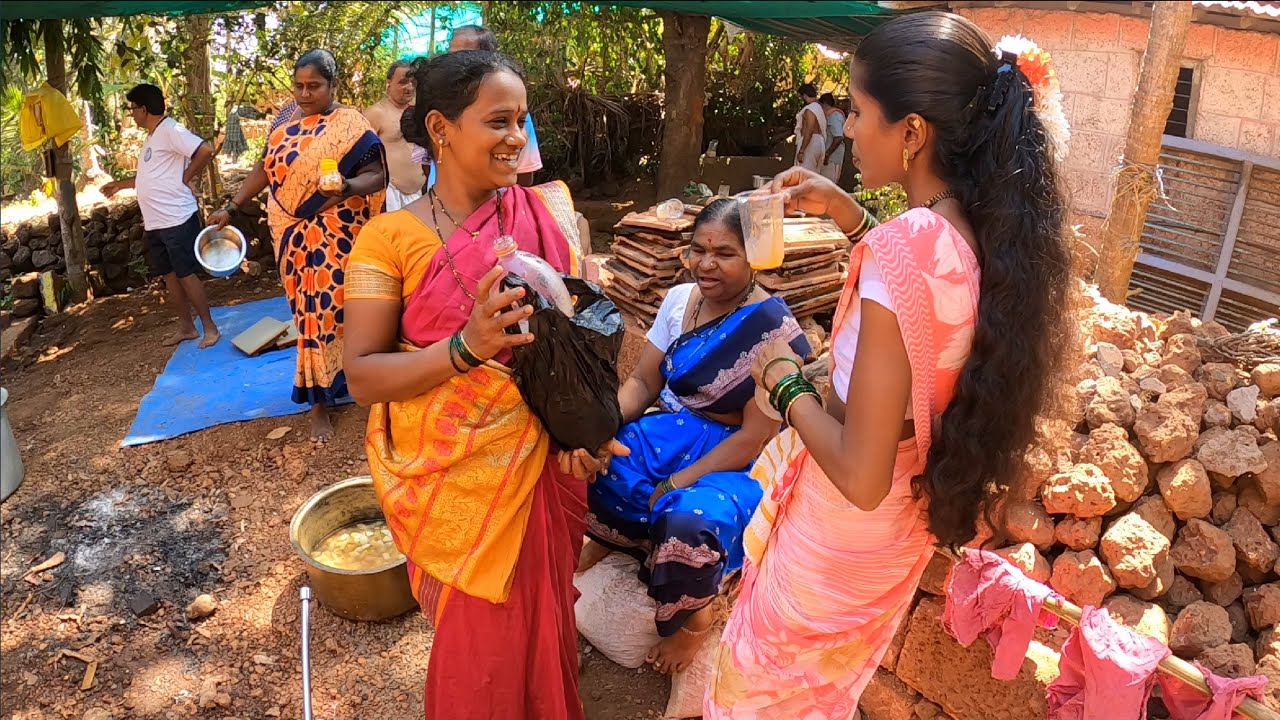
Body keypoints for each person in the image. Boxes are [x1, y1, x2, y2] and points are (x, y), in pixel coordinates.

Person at [706, 12, 1072, 718]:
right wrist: (851, 215)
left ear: (912, 133)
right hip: (895, 537)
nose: (846, 128)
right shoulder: (974, 230)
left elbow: (861, 474)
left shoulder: (907, 245)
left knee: (761, 695)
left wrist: (784, 382)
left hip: (841, 537)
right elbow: (926, 305)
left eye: (860, 110)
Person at [343, 50, 609, 720]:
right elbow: (363, 375)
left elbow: (581, 350)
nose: (517, 136)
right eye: (498, 120)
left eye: (521, 119)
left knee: (541, 636)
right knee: (481, 661)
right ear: (440, 127)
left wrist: (589, 435)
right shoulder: (387, 240)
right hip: (454, 482)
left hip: (544, 469)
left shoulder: (544, 214)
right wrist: (466, 348)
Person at [574, 198, 812, 675]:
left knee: (691, 519)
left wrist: (680, 481)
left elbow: (752, 438)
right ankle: (626, 541)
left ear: (754, 258)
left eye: (725, 253)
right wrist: (600, 429)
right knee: (603, 462)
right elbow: (644, 382)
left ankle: (694, 622)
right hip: (676, 430)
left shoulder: (772, 331)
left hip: (733, 457)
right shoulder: (681, 300)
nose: (706, 264)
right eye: (698, 249)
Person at [208, 49, 386, 441]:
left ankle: (355, 381)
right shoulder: (284, 123)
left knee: (340, 309)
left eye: (314, 86)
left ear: (333, 85)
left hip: (338, 232)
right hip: (290, 232)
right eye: (299, 86)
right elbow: (264, 168)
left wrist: (346, 188)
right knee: (307, 315)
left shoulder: (351, 125)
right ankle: (317, 402)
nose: (305, 94)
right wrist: (231, 207)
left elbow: (376, 175)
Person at [103, 83, 220, 349]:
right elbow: (150, 175)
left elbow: (205, 149)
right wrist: (120, 185)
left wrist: (186, 176)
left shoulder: (170, 130)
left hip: (177, 217)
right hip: (155, 221)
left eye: (133, 108)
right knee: (169, 275)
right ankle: (187, 328)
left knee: (186, 273)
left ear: (144, 109)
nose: (131, 114)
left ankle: (210, 328)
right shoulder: (152, 136)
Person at [445, 25, 543, 186]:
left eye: (466, 56)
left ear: (488, 58)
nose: (455, 63)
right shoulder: (436, 104)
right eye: (452, 55)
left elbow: (524, 174)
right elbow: (426, 167)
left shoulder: (516, 115)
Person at [365, 60, 424, 211]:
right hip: (390, 193)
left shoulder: (419, 113)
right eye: (403, 82)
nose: (409, 87)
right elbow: (360, 154)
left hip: (419, 193)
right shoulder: (376, 113)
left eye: (412, 82)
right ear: (388, 83)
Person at [793, 83, 826, 174]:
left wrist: (802, 151)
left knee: (804, 175)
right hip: (819, 142)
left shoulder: (810, 110)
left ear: (804, 95)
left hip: (810, 143)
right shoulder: (819, 108)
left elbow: (809, 130)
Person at [819, 92, 848, 185]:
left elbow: (838, 137)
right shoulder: (830, 115)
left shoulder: (834, 116)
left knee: (828, 185)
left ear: (824, 104)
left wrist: (827, 154)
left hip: (832, 158)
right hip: (829, 157)